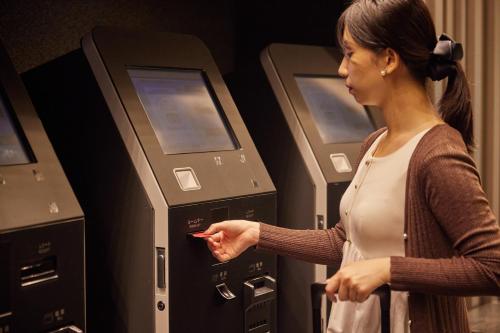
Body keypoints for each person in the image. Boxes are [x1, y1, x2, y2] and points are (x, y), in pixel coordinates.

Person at [204, 0, 500, 332]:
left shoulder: (437, 153)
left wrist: (389, 269)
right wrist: (256, 234)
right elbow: (346, 242)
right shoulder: (373, 142)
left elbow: (492, 267)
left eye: (349, 53)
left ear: (388, 59)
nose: (342, 69)